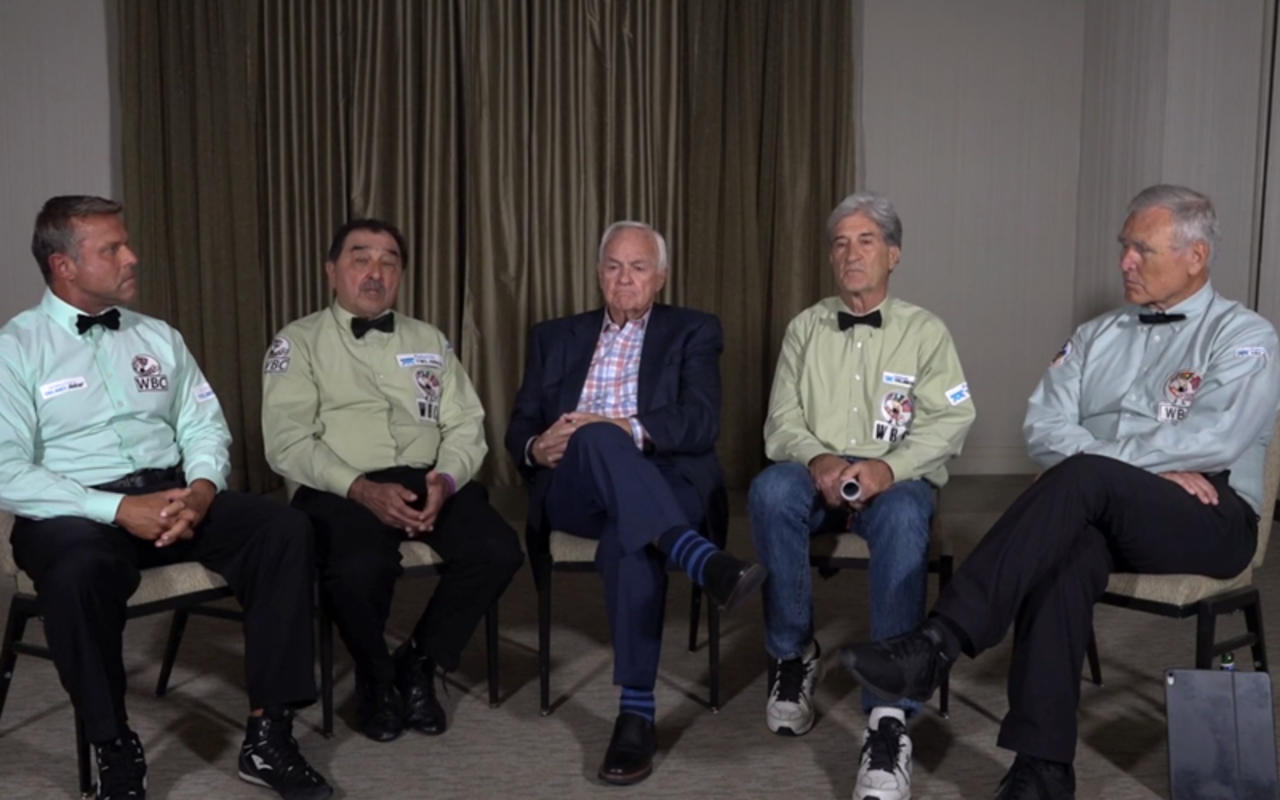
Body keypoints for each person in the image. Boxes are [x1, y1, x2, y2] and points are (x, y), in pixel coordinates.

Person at [843, 184, 1280, 799]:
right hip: (1105, 514)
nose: (1124, 261)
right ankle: (1043, 768)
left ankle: (938, 642)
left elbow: (1215, 437)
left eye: (1141, 249)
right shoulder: (1097, 335)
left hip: (1211, 515)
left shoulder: (1246, 335)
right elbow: (1042, 428)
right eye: (1123, 247)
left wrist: (1108, 468)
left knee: (1083, 477)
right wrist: (1134, 469)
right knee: (1063, 552)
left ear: (1196, 256)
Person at [0, 196, 331, 800]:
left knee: (283, 529)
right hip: (73, 509)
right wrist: (118, 510)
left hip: (172, 493)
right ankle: (115, 750)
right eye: (112, 249)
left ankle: (268, 734)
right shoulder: (16, 348)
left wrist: (202, 491)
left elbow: (202, 425)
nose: (133, 257)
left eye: (126, 243)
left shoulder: (158, 336)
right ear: (63, 266)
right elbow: (6, 468)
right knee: (78, 570)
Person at [505, 221, 766, 786]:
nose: (625, 278)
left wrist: (623, 426)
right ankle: (697, 557)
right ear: (599, 273)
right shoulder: (554, 336)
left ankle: (634, 713)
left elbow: (700, 420)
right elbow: (520, 424)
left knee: (633, 532)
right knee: (596, 442)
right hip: (574, 483)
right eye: (614, 266)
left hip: (665, 477)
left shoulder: (693, 330)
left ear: (661, 277)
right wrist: (534, 445)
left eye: (638, 267)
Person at [748, 192, 975, 800]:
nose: (851, 254)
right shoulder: (805, 327)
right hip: (817, 473)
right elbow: (781, 421)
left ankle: (888, 715)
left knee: (905, 520)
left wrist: (889, 467)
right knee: (771, 491)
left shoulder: (925, 332)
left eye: (866, 241)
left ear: (893, 255)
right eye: (841, 243)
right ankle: (793, 656)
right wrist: (818, 457)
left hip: (892, 481)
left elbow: (952, 421)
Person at [262, 218, 523, 744]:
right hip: (340, 485)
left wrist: (446, 481)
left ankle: (420, 662)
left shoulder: (430, 340)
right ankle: (375, 677)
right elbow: (286, 442)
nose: (375, 272)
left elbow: (465, 424)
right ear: (332, 270)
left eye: (389, 261)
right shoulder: (297, 342)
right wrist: (359, 487)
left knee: (497, 549)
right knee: (358, 567)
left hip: (427, 478)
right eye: (361, 258)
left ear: (401, 274)